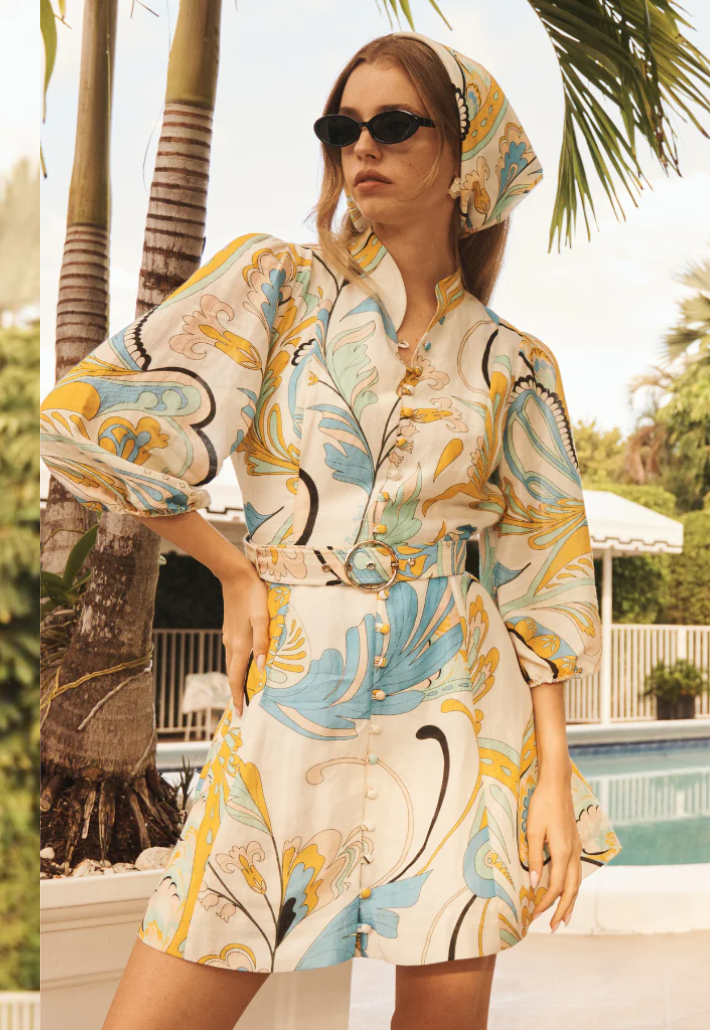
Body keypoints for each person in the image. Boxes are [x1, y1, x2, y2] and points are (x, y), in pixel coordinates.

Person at [40, 31, 620, 1030]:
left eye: (395, 124)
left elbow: (546, 573)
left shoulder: (513, 364)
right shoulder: (277, 287)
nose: (363, 146)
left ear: (465, 156)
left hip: (458, 702)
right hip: (297, 682)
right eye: (342, 126)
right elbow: (96, 424)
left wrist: (553, 783)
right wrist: (229, 567)